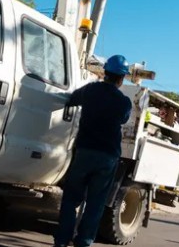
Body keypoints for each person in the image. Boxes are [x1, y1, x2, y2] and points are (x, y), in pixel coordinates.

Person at [53, 54, 133, 247]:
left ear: (104, 72)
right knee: (95, 205)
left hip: (85, 151)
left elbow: (71, 99)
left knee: (71, 199)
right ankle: (84, 242)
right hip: (108, 157)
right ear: (121, 79)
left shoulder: (90, 90)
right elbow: (123, 119)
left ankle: (62, 241)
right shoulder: (124, 102)